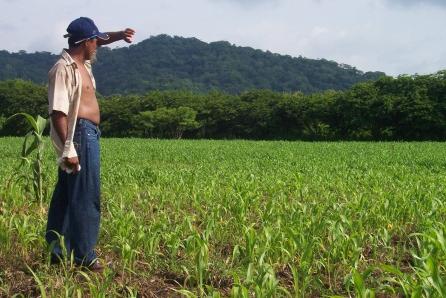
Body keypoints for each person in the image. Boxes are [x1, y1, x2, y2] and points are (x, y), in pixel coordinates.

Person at [45, 17, 135, 272]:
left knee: (65, 195)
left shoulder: (82, 62)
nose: (98, 44)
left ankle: (57, 252)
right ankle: (84, 254)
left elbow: (101, 39)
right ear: (85, 42)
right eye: (95, 40)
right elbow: (58, 112)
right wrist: (68, 148)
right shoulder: (64, 68)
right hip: (79, 135)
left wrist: (118, 35)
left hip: (87, 133)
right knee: (86, 194)